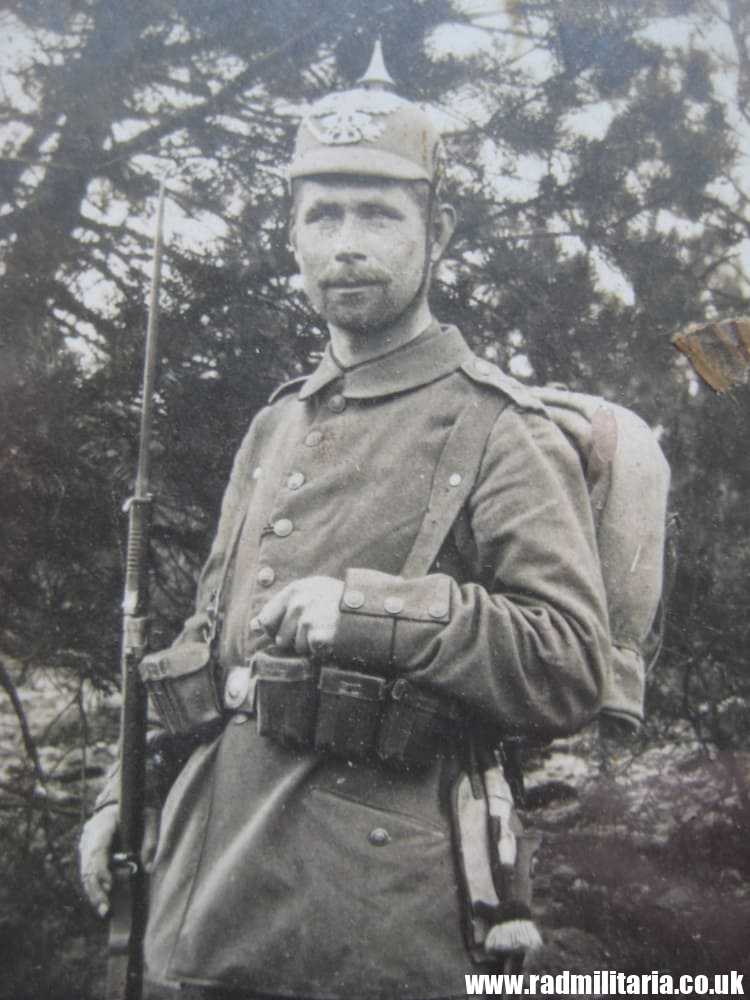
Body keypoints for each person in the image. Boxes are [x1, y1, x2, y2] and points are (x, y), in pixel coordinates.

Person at [80, 44, 611, 1000]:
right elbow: (207, 644)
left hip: (373, 921)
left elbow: (570, 659)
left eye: (377, 213)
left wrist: (370, 611)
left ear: (436, 233)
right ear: (291, 238)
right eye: (321, 216)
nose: (346, 243)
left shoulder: (499, 428)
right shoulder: (277, 422)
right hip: (203, 892)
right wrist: (126, 795)